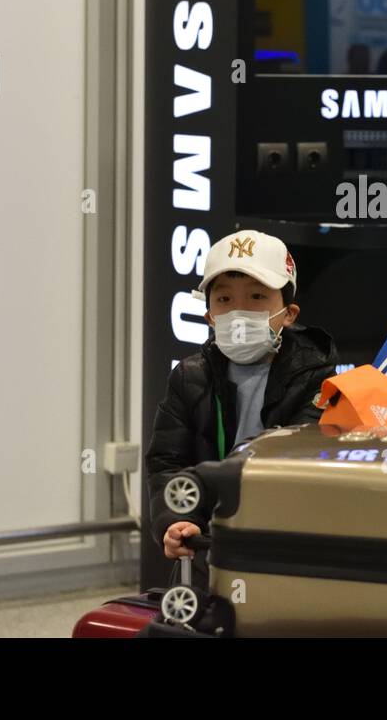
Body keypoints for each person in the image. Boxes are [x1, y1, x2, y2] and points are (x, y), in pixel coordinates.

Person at [145, 229, 338, 583]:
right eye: (224, 300)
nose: (239, 312)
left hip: (286, 541)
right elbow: (168, 462)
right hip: (208, 539)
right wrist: (175, 518)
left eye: (256, 297)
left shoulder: (315, 377)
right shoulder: (189, 378)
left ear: (289, 313)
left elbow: (308, 463)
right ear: (209, 317)